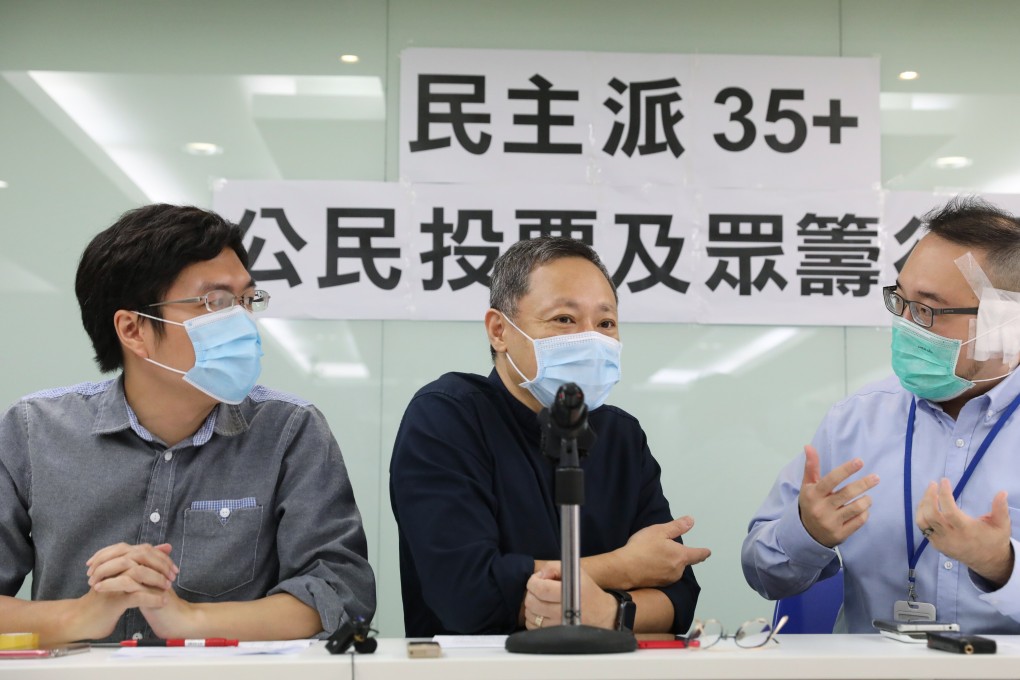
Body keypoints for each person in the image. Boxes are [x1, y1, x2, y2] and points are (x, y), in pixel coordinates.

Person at [0, 204, 375, 645]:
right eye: (214, 302)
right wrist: (80, 617)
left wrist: (188, 619)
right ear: (133, 329)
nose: (241, 321)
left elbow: (338, 592)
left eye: (246, 300)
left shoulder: (290, 431)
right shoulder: (33, 431)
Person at [390, 236, 709, 637]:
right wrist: (623, 568)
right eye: (564, 319)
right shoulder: (447, 417)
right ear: (499, 330)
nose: (590, 338)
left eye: (606, 323)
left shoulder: (621, 435)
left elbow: (676, 593)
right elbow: (466, 594)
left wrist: (610, 613)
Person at [743, 196, 1020, 633]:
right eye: (900, 300)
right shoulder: (857, 420)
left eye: (927, 309)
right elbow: (762, 573)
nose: (906, 325)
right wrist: (807, 533)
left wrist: (1001, 565)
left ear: (1006, 321)